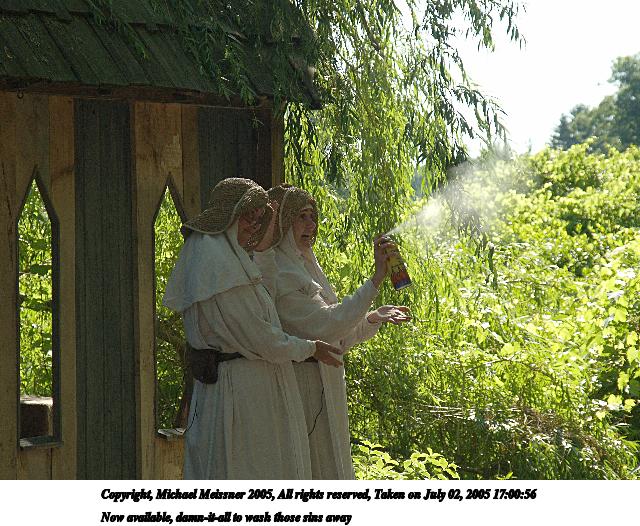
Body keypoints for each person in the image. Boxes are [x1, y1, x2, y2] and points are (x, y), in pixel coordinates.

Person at [162, 177, 343, 479]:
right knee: (244, 468)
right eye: (250, 217)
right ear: (230, 213)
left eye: (260, 218)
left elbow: (265, 303)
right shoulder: (216, 260)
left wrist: (265, 244)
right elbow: (263, 337)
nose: (253, 225)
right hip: (239, 392)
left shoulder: (229, 255)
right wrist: (310, 348)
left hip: (245, 388)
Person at [254, 185, 411, 479]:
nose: (311, 225)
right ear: (285, 220)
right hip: (300, 387)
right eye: (302, 216)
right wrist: (376, 279)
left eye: (313, 217)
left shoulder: (307, 265)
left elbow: (339, 338)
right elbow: (325, 325)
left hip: (326, 385)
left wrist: (372, 319)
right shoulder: (279, 270)